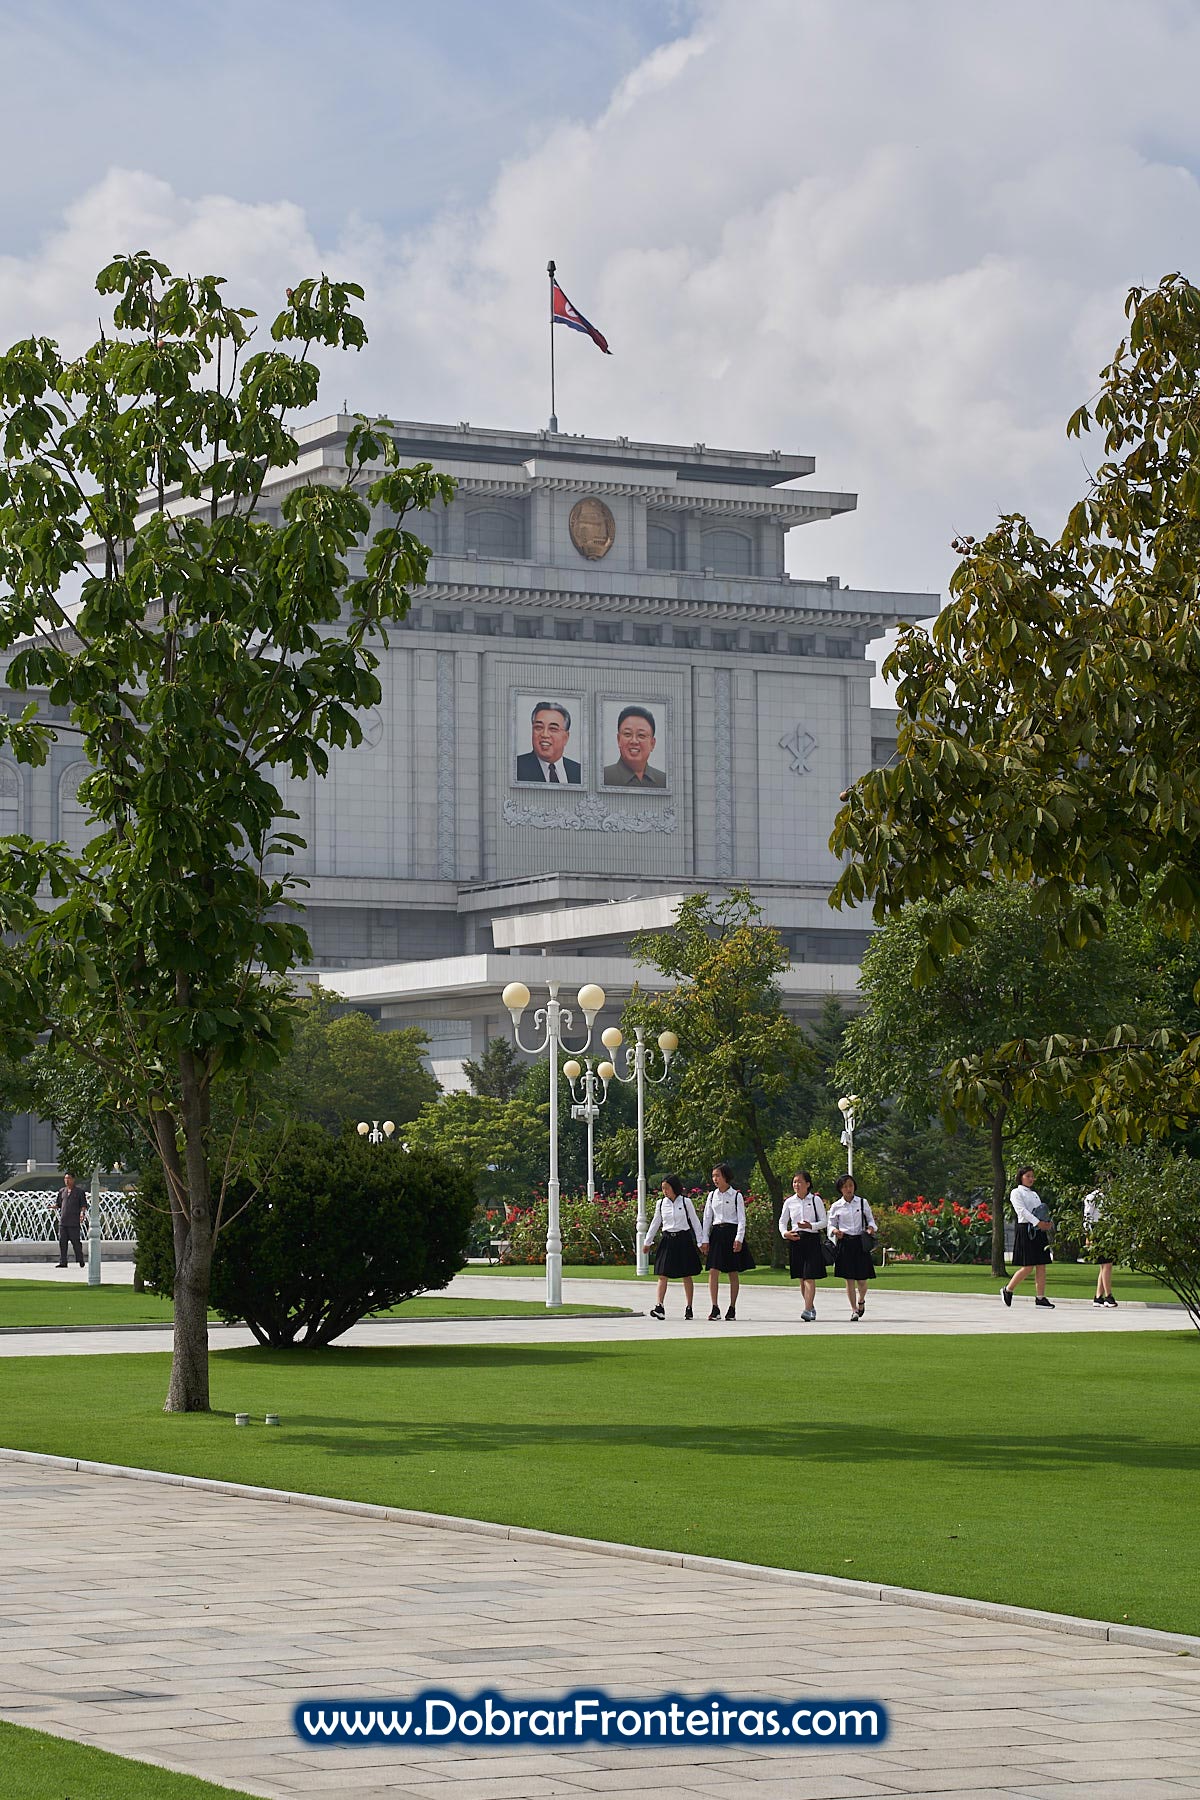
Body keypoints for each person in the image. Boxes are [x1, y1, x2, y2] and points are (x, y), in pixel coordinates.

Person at [643, 1174, 704, 1320]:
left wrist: (701, 1242)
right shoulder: (661, 1204)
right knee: (662, 1273)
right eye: (663, 1188)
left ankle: (689, 1307)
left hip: (683, 1239)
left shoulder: (685, 1202)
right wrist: (647, 1242)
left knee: (686, 1274)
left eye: (667, 1188)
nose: (665, 1191)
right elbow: (655, 1222)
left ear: (674, 1188)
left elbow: (695, 1222)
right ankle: (659, 1306)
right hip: (668, 1239)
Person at [700, 1162, 755, 1320]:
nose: (715, 1179)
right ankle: (715, 1307)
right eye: (713, 1176)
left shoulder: (736, 1195)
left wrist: (739, 1238)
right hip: (717, 1233)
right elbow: (707, 1218)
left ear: (725, 1176)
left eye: (717, 1175)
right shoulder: (712, 1196)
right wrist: (705, 1239)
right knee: (713, 1270)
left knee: (732, 1271)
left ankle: (732, 1307)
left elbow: (741, 1219)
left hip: (731, 1232)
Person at [1002, 1166, 1055, 1309]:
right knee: (1028, 1266)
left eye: (1033, 1176)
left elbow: (1040, 1211)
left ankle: (1040, 1297)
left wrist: (1046, 1222)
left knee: (1041, 1264)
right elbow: (1022, 1211)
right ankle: (1008, 1289)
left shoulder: (1034, 1194)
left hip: (1038, 1230)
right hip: (1026, 1229)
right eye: (1028, 1176)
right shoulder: (1016, 1192)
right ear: (1021, 1177)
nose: (1031, 1179)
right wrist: (1038, 1223)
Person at [779, 1169, 827, 1321]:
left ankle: (807, 1309)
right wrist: (785, 1233)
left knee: (809, 1276)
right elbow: (782, 1221)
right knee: (801, 1277)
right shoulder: (789, 1202)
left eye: (800, 1181)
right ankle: (810, 1306)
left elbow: (824, 1222)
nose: (796, 1184)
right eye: (794, 1182)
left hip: (811, 1240)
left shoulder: (815, 1200)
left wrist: (810, 1226)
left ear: (808, 1184)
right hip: (796, 1240)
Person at [827, 1174, 876, 1321]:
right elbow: (830, 1224)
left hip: (860, 1243)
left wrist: (871, 1229)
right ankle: (854, 1309)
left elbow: (872, 1221)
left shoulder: (862, 1203)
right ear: (840, 1189)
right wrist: (835, 1231)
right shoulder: (836, 1206)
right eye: (845, 1186)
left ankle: (861, 1300)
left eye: (851, 1185)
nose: (849, 1189)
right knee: (849, 1279)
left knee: (862, 1280)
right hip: (845, 1243)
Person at [515, 702, 582, 784]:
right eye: (538, 727)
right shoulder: (515, 767)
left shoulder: (579, 772)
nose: (544, 734)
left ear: (566, 737)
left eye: (553, 729)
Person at [603, 705, 667, 787]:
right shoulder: (603, 776)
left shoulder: (664, 781)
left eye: (641, 735)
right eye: (627, 734)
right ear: (618, 739)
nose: (634, 741)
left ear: (652, 743)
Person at [1084, 1188, 1117, 1307]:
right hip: (1097, 1229)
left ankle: (1098, 1296)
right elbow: (1087, 1217)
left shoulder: (1111, 1196)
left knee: (1105, 1265)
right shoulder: (1092, 1197)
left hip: (1108, 1229)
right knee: (1106, 1264)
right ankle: (1108, 1295)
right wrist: (1088, 1235)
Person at [54, 1173, 88, 1269]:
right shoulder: (62, 1191)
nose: (66, 1180)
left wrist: (82, 1214)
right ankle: (63, 1262)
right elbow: (59, 1204)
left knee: (76, 1242)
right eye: (65, 1178)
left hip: (73, 1222)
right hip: (63, 1222)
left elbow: (83, 1205)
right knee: (62, 1242)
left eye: (68, 1178)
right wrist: (53, 1206)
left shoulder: (79, 1192)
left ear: (73, 1180)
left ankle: (80, 1259)